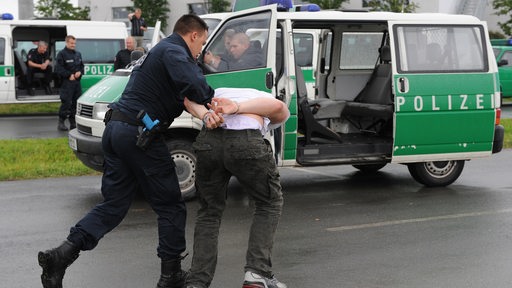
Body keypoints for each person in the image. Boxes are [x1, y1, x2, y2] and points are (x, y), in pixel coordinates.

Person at [37, 14, 223, 288]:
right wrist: (212, 95)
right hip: (139, 134)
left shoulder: (157, 53)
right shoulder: (174, 50)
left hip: (117, 130)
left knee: (113, 205)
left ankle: (60, 256)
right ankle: (170, 276)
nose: (201, 51)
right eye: (202, 43)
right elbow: (196, 87)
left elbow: (182, 96)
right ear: (193, 35)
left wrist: (203, 109)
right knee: (171, 205)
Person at [184, 87, 290, 288]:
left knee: (209, 212)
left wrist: (206, 115)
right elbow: (278, 107)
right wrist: (238, 108)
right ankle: (257, 274)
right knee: (269, 203)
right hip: (246, 140)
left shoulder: (213, 92)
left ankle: (197, 282)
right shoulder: (264, 97)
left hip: (209, 141)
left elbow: (188, 100)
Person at [55, 35, 83, 131]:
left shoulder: (78, 54)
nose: (73, 45)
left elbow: (81, 66)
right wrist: (68, 75)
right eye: (71, 43)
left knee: (75, 104)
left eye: (74, 43)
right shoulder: (61, 54)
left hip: (76, 83)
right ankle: (61, 122)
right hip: (66, 83)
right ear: (66, 43)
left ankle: (73, 123)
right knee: (66, 103)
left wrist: (80, 72)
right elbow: (58, 69)